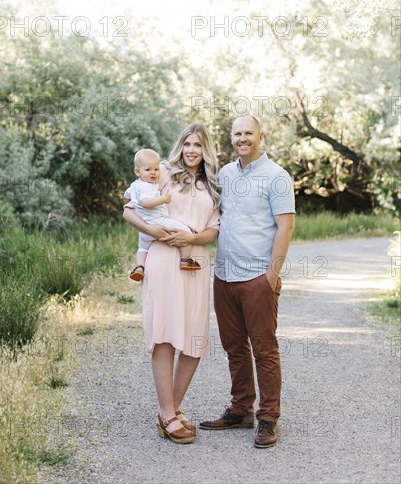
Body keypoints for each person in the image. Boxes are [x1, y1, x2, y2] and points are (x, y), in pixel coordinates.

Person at [199, 115, 295, 449]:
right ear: (231, 137)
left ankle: (268, 419)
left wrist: (272, 274)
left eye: (248, 133)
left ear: (261, 136)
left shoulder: (277, 176)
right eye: (237, 133)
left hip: (257, 278)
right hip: (224, 276)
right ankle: (241, 409)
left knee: (264, 350)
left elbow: (286, 226)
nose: (243, 138)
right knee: (234, 347)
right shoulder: (224, 173)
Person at [123, 123, 220, 444]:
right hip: (164, 259)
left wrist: (191, 236)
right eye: (188, 143)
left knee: (193, 340)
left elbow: (215, 230)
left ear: (207, 150)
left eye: (199, 145)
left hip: (196, 261)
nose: (192, 150)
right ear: (180, 145)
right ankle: (167, 412)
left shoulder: (214, 184)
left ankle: (172, 409)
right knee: (164, 334)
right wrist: (155, 233)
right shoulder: (162, 171)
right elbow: (129, 210)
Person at [124, 148, 201, 281]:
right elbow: (145, 203)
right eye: (148, 170)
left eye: (156, 169)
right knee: (186, 232)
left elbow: (126, 197)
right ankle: (185, 260)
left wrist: (131, 201)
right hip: (158, 221)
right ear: (138, 171)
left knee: (143, 247)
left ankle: (140, 267)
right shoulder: (147, 186)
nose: (153, 173)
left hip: (144, 226)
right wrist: (163, 199)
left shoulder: (135, 185)